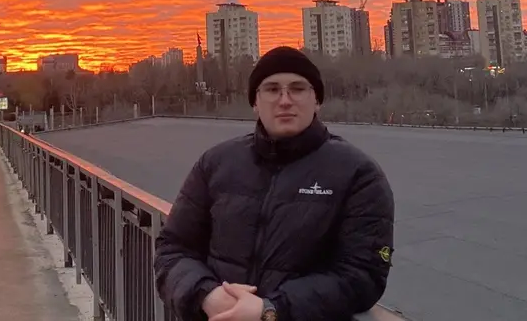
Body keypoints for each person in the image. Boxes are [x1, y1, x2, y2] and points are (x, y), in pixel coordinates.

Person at [155, 46, 395, 321]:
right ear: (255, 102)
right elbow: (173, 248)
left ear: (317, 100)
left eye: (297, 88)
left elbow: (363, 275)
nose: (285, 100)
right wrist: (206, 295)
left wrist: (271, 310)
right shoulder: (216, 163)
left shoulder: (358, 174)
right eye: (271, 89)